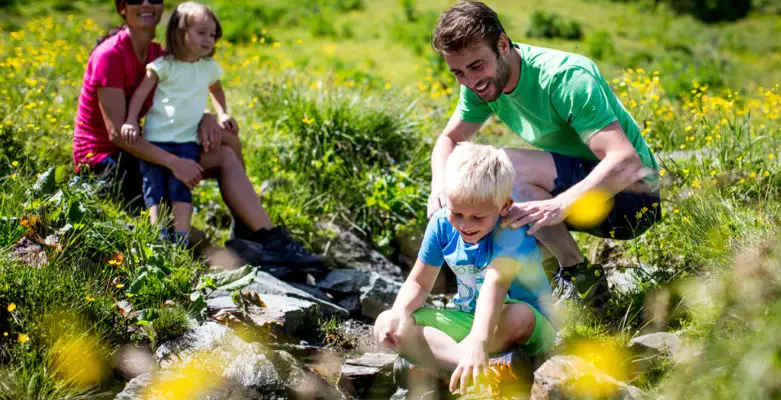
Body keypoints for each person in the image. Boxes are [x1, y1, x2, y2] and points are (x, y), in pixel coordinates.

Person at [426, 1, 662, 304]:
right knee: (476, 174)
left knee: (501, 166)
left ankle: (578, 274)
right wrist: (440, 188)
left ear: (502, 45)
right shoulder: (481, 84)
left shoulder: (565, 77)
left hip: (633, 198)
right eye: (458, 73)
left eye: (476, 66)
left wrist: (559, 206)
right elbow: (449, 140)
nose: (471, 81)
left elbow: (626, 163)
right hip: (582, 192)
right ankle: (521, 288)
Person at [72, 0, 323, 270]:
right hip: (105, 165)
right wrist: (175, 163)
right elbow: (119, 136)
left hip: (141, 152)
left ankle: (259, 233)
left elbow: (178, 99)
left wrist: (207, 117)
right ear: (122, 7)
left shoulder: (157, 54)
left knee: (227, 143)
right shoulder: (109, 55)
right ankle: (259, 234)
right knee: (221, 157)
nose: (146, 3)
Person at [374, 143, 556, 396]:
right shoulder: (441, 224)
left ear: (504, 206)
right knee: (388, 323)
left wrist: (479, 342)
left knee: (518, 315)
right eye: (456, 212)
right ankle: (476, 366)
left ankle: (440, 362)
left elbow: (495, 285)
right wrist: (399, 311)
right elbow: (419, 283)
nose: (465, 225)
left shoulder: (511, 230)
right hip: (470, 321)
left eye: (478, 218)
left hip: (519, 323)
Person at [120, 2, 230, 245]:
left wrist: (221, 114)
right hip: (156, 139)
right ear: (181, 33)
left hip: (187, 141)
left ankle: (180, 238)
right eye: (201, 33)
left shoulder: (208, 68)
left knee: (182, 188)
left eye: (212, 35)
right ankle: (158, 235)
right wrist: (130, 121)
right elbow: (139, 95)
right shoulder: (163, 65)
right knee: (154, 187)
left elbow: (217, 90)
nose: (208, 39)